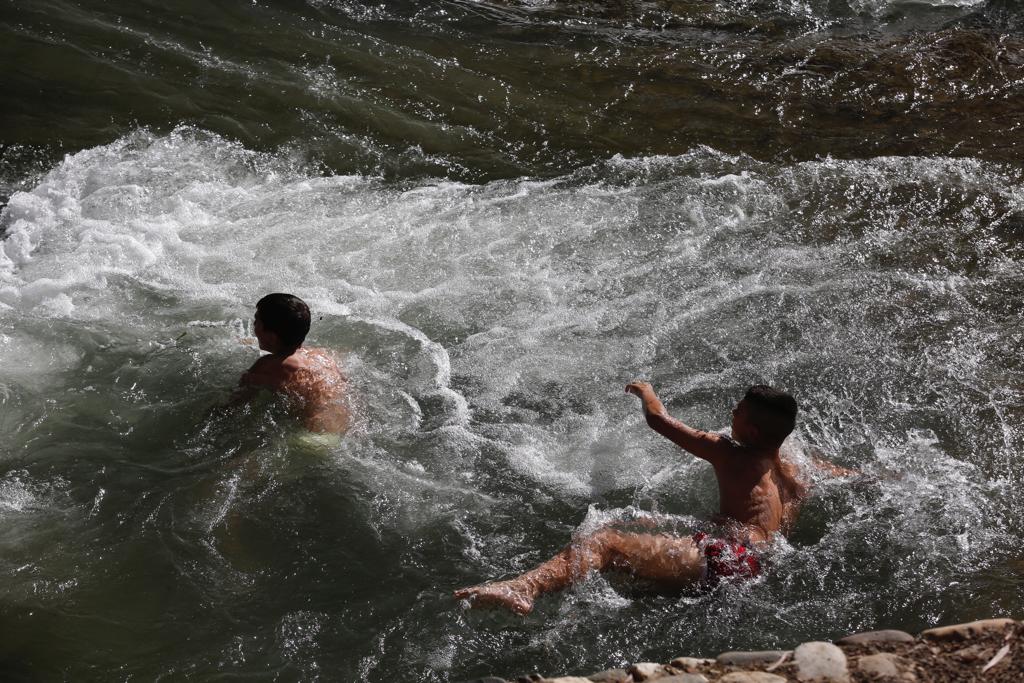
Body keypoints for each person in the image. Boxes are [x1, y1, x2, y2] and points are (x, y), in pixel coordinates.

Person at [453, 382, 855, 615]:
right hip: (757, 565)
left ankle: (525, 588)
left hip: (725, 556)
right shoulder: (798, 468)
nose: (731, 412)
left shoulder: (729, 451)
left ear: (750, 431)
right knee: (638, 553)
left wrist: (646, 391)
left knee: (604, 540)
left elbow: (658, 421)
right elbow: (854, 478)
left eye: (738, 411)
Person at [235, 293, 349, 434]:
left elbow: (236, 404)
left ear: (271, 336)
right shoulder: (321, 355)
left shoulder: (266, 366)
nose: (253, 325)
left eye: (256, 321)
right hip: (341, 429)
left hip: (310, 438)